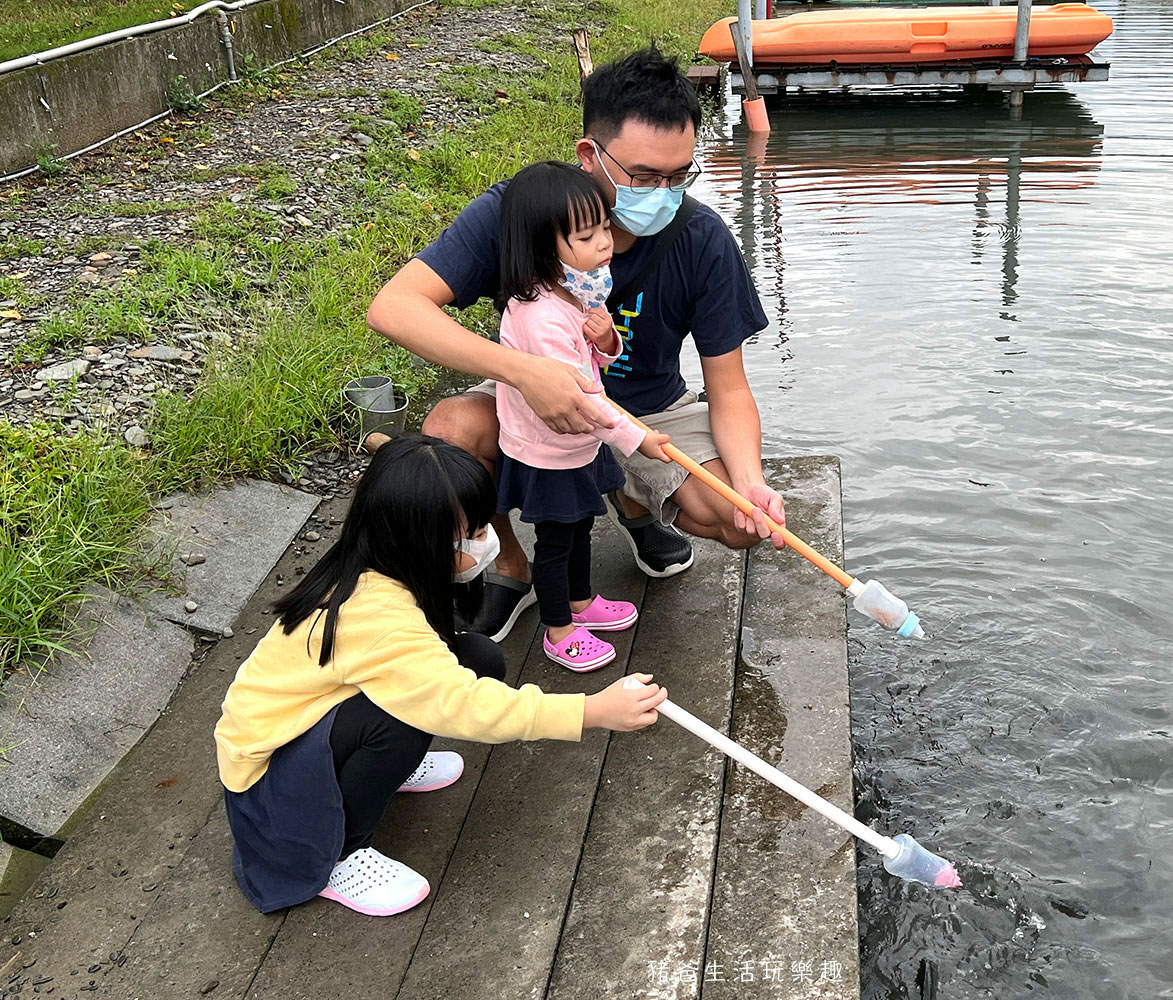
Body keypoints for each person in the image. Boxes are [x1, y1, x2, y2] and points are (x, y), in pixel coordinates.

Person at [367, 46, 786, 644]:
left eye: (678, 176)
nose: (662, 194)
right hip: (538, 406)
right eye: (643, 177)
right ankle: (514, 567)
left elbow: (730, 387)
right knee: (450, 431)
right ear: (590, 155)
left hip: (649, 411)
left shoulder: (701, 237)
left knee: (742, 524)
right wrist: (523, 372)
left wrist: (748, 481)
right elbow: (394, 307)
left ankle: (631, 503)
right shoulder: (522, 213)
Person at [213, 435, 667, 917]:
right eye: (470, 531)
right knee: (398, 716)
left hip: (301, 729)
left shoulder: (371, 564)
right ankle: (341, 854)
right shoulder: (378, 619)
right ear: (419, 538)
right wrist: (590, 711)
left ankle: (385, 769)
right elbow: (463, 706)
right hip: (272, 785)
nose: (484, 539)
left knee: (476, 657)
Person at [491, 159, 673, 671]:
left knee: (579, 531)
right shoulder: (541, 315)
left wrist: (605, 338)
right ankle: (558, 629)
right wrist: (636, 436)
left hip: (577, 445)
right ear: (545, 246)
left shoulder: (573, 292)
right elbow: (580, 396)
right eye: (587, 235)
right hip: (550, 452)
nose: (605, 243)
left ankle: (581, 600)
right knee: (554, 541)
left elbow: (591, 364)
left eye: (604, 229)